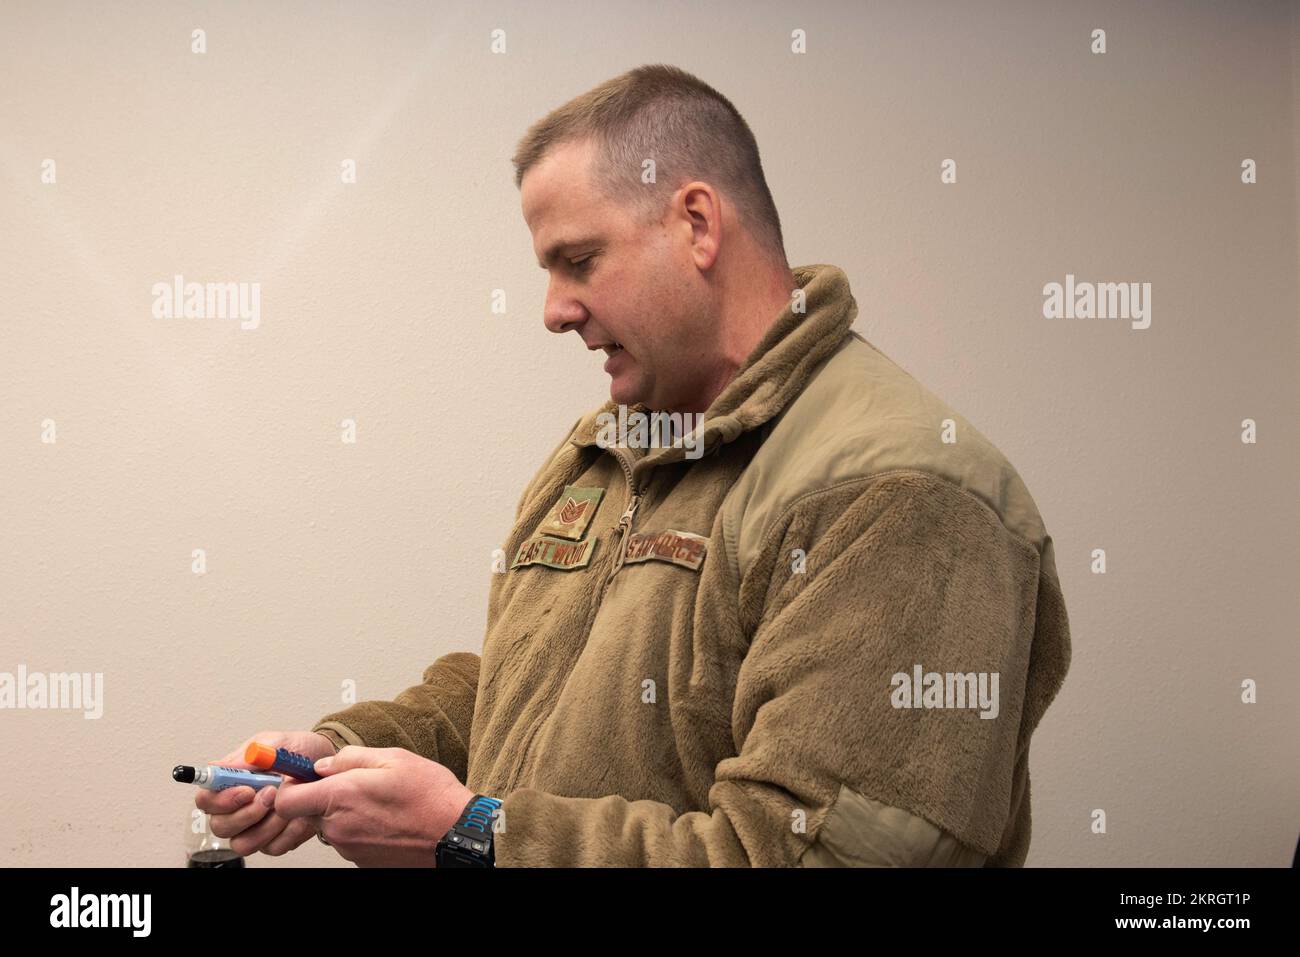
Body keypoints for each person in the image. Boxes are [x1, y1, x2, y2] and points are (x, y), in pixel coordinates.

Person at [198, 64, 1071, 867]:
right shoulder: (607, 446)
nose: (552, 311)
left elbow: (812, 856)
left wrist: (475, 836)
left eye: (578, 260)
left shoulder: (900, 495)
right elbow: (521, 688)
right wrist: (329, 753)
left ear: (696, 223)